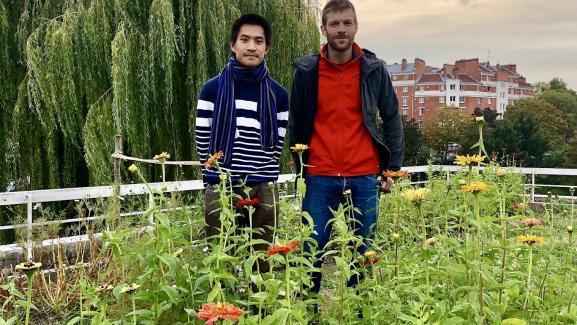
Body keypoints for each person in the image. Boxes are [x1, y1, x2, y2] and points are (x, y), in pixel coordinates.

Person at [288, 0, 404, 294]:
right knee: (311, 251)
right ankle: (308, 312)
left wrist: (392, 169)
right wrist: (299, 163)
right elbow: (297, 120)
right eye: (335, 24)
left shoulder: (374, 70)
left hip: (364, 174)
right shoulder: (307, 71)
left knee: (363, 253)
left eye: (347, 23)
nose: (341, 30)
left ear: (356, 27)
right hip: (319, 175)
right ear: (324, 28)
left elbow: (391, 118)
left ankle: (359, 312)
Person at [195, 13, 289, 270]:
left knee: (262, 257)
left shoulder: (278, 95)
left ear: (267, 48)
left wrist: (265, 174)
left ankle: (259, 309)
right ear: (232, 44)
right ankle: (222, 309)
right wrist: (212, 176)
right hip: (221, 185)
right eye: (244, 39)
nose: (251, 46)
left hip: (263, 185)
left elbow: (277, 144)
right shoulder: (212, 89)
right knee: (221, 256)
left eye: (259, 41)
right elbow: (202, 138)